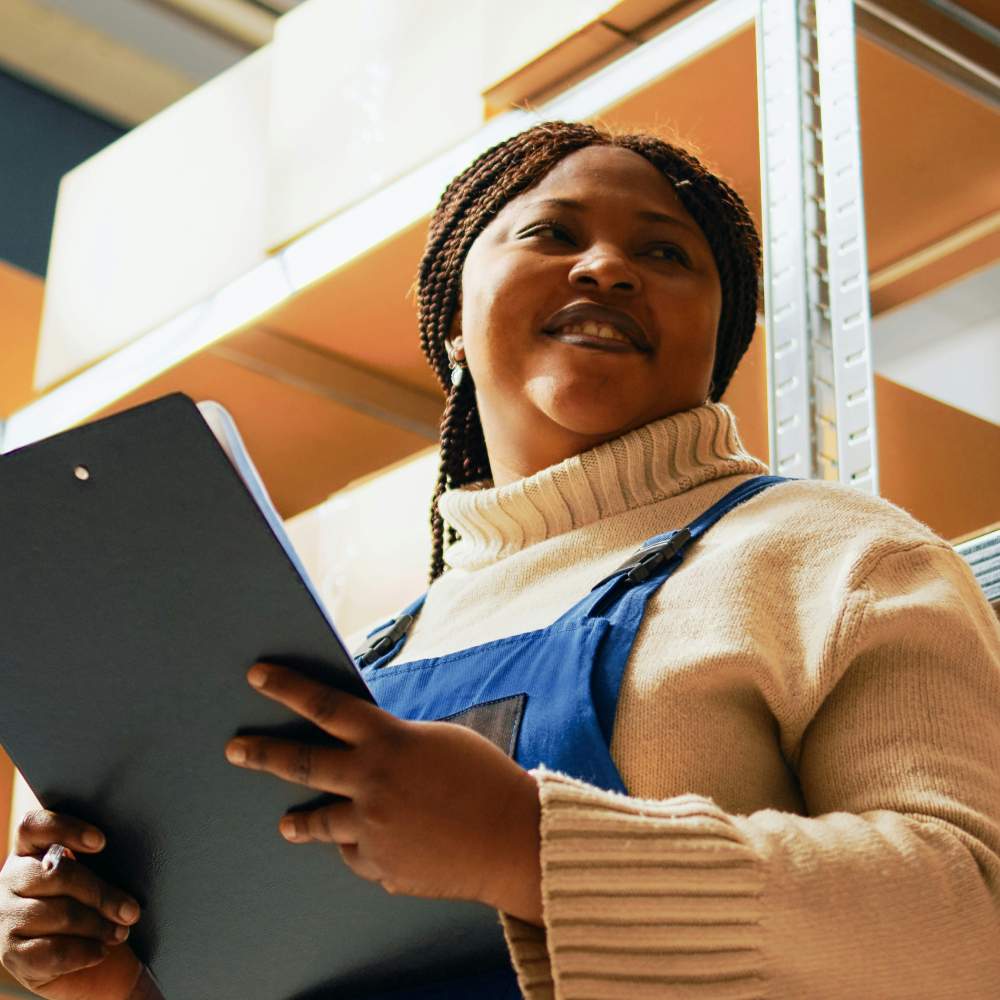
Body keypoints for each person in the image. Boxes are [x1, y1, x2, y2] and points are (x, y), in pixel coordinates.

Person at [2, 120, 998, 1000]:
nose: (607, 267)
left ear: (718, 337)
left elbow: (974, 919)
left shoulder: (834, 557)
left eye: (665, 252)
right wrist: (122, 982)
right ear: (452, 321)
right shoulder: (359, 650)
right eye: (551, 233)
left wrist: (530, 844)